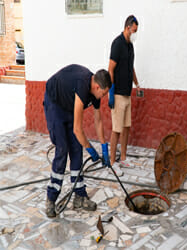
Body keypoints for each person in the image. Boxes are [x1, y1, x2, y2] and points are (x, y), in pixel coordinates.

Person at [43, 64, 112, 218]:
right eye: (104, 93)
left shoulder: (96, 91)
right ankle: (51, 199)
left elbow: (98, 120)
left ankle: (79, 197)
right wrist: (91, 149)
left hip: (68, 106)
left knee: (76, 149)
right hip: (55, 104)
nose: (104, 96)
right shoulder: (82, 85)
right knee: (62, 149)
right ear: (95, 86)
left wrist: (104, 146)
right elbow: (77, 129)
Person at [108, 15, 140, 176]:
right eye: (134, 30)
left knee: (127, 127)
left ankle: (124, 158)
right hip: (118, 94)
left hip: (127, 94)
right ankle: (113, 162)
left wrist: (137, 84)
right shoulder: (117, 44)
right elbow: (111, 69)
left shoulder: (130, 46)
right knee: (117, 129)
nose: (135, 33)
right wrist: (111, 92)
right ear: (128, 27)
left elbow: (131, 67)